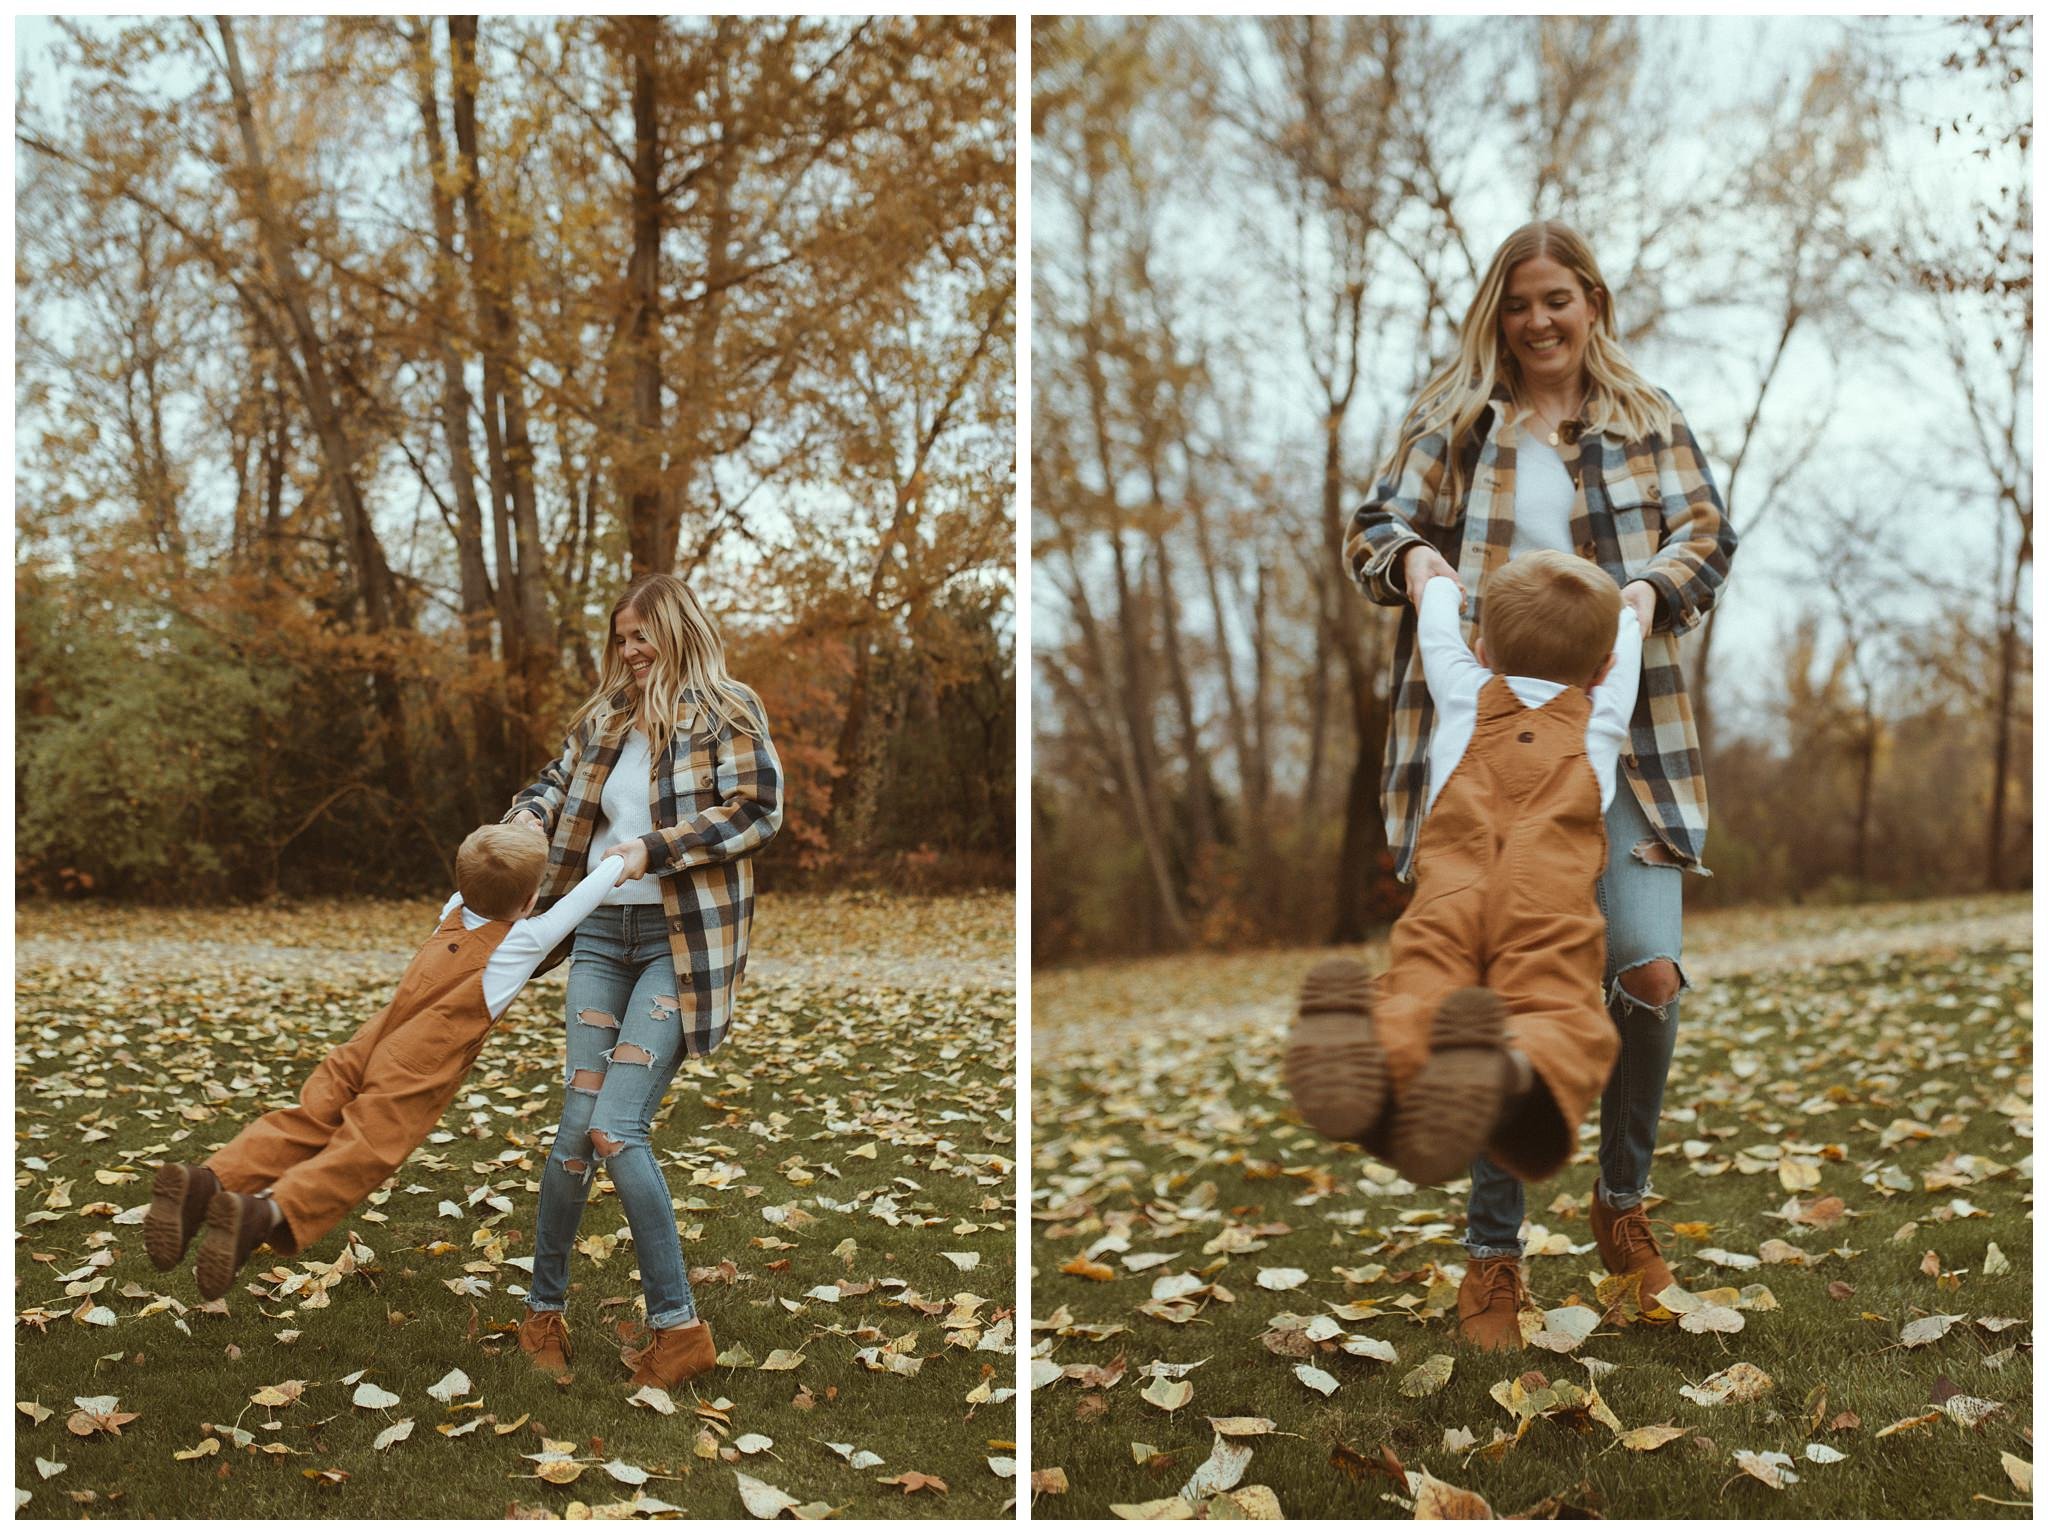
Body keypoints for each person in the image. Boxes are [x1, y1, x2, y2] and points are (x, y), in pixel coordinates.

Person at [1321, 220, 1737, 1350]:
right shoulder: (1454, 417)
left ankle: (1618, 1197)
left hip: (1624, 734)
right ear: (1493, 314)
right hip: (1488, 742)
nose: (1538, 321)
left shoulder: (1647, 417)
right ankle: (1492, 1259)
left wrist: (1647, 593)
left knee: (1645, 975)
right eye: (1516, 303)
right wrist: (1416, 565)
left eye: (1556, 299)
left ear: (1590, 301)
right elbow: (1374, 524)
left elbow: (1706, 530)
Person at [1288, 554, 1638, 1255]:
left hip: (1451, 881)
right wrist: (1629, 609)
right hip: (1549, 899)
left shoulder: (1463, 686)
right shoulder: (1601, 712)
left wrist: (1436, 583)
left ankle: (1385, 1069)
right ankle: (1511, 1069)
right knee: (1558, 1007)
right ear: (1600, 670)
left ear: (1483, 650)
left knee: (1424, 982)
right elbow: (1627, 629)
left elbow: (1436, 622)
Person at [143, 824, 629, 1302]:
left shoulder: (453, 910)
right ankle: (265, 1213)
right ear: (527, 902)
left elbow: (491, 870)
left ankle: (208, 1180)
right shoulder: (522, 942)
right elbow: (581, 900)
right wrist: (622, 858)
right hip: (418, 1060)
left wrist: (517, 827)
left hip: (372, 1038)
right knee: (367, 1146)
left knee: (308, 1120)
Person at [505, 571, 782, 1391]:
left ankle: (679, 1328)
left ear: (678, 630)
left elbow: (756, 808)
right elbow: (555, 782)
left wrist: (651, 848)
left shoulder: (728, 710)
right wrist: (529, 813)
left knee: (616, 1127)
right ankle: (542, 1312)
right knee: (572, 1133)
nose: (629, 652)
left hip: (674, 940)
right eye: (620, 638)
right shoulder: (604, 717)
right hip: (597, 935)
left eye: (641, 635)